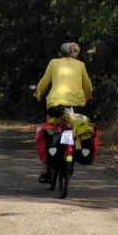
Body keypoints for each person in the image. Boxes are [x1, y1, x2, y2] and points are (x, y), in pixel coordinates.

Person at [33, 42, 93, 181]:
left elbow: (44, 82)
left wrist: (38, 94)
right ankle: (71, 156)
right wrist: (88, 97)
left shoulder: (54, 63)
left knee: (51, 130)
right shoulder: (81, 65)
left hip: (56, 105)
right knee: (74, 128)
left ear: (60, 54)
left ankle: (46, 169)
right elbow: (88, 86)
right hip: (76, 105)